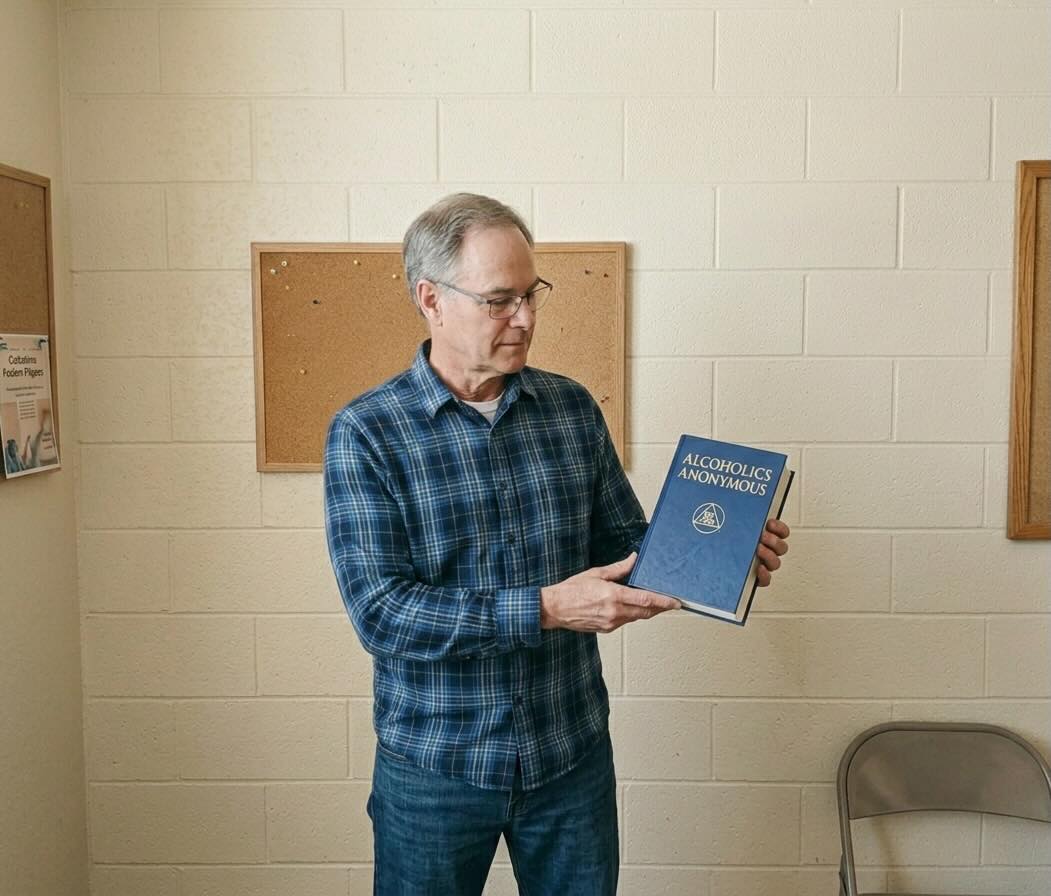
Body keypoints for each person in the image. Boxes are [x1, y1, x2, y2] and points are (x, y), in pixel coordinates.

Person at [323, 193, 790, 895]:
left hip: (569, 758)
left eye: (531, 294)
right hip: (436, 768)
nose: (525, 318)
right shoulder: (367, 432)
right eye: (498, 300)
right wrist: (546, 607)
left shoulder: (570, 409)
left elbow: (627, 543)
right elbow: (382, 614)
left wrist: (721, 551)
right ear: (431, 299)